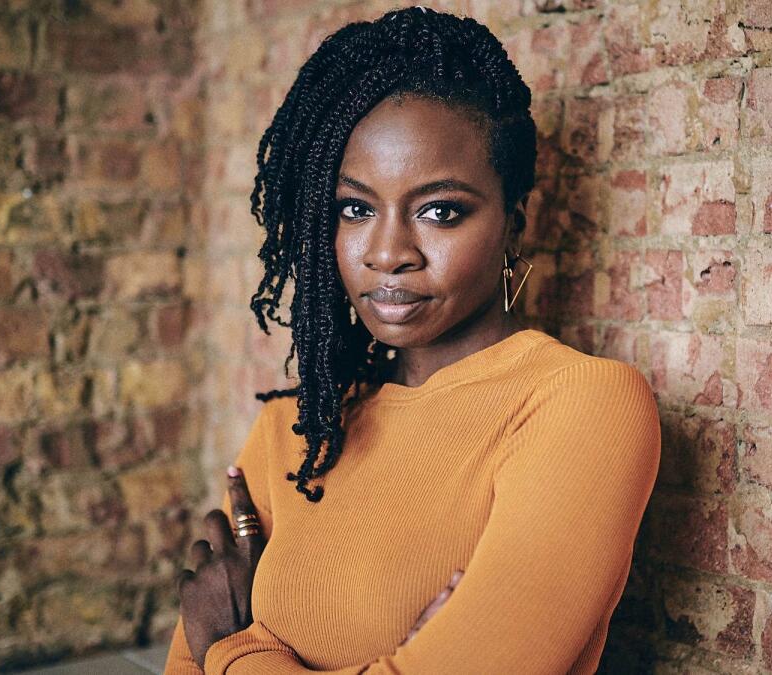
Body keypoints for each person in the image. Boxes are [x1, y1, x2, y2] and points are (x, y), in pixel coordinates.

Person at [163, 7, 660, 674]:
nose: (388, 252)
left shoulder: (583, 406)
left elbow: (205, 647)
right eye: (355, 208)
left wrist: (231, 643)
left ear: (513, 227)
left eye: (439, 211)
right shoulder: (298, 427)